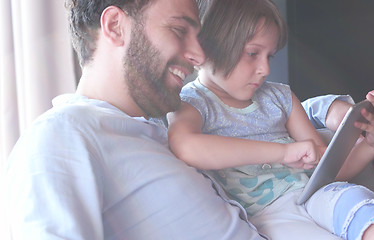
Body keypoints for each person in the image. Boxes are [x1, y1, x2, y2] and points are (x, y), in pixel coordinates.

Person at [5, 0, 264, 239]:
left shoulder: (164, 132)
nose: (199, 55)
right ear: (115, 26)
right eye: (178, 30)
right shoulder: (62, 135)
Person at [167, 0, 374, 239]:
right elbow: (186, 146)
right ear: (209, 48)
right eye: (252, 53)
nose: (265, 69)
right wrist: (283, 153)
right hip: (266, 217)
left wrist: (371, 144)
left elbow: (327, 170)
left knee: (362, 205)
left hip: (315, 195)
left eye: (269, 56)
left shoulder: (280, 98)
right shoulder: (193, 102)